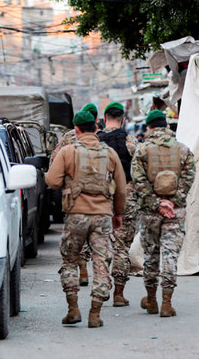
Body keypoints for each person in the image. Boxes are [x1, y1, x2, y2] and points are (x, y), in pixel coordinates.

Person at [45, 110, 126, 328]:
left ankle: (73, 309)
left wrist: (68, 185)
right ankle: (95, 313)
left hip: (76, 216)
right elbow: (120, 188)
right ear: (96, 129)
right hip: (102, 217)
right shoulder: (109, 153)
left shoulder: (67, 151)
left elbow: (52, 180)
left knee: (70, 260)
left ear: (77, 130)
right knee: (101, 263)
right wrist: (118, 213)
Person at [131, 109, 195, 317]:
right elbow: (189, 178)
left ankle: (151, 300)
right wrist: (172, 202)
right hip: (175, 212)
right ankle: (167, 303)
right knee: (170, 255)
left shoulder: (141, 150)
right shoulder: (183, 150)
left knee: (151, 254)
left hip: (150, 212)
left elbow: (138, 181)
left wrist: (156, 203)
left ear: (149, 127)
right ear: (166, 126)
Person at [50, 102, 99, 287]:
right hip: (98, 194)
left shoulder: (68, 138)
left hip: (73, 193)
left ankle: (81, 267)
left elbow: (54, 162)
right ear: (95, 120)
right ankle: (96, 274)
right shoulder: (101, 138)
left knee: (75, 234)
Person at [96, 102, 138, 307]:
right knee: (122, 248)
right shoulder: (130, 142)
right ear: (123, 120)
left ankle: (101, 291)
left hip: (99, 200)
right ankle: (119, 294)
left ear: (104, 119)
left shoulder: (94, 143)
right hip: (126, 198)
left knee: (100, 247)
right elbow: (140, 172)